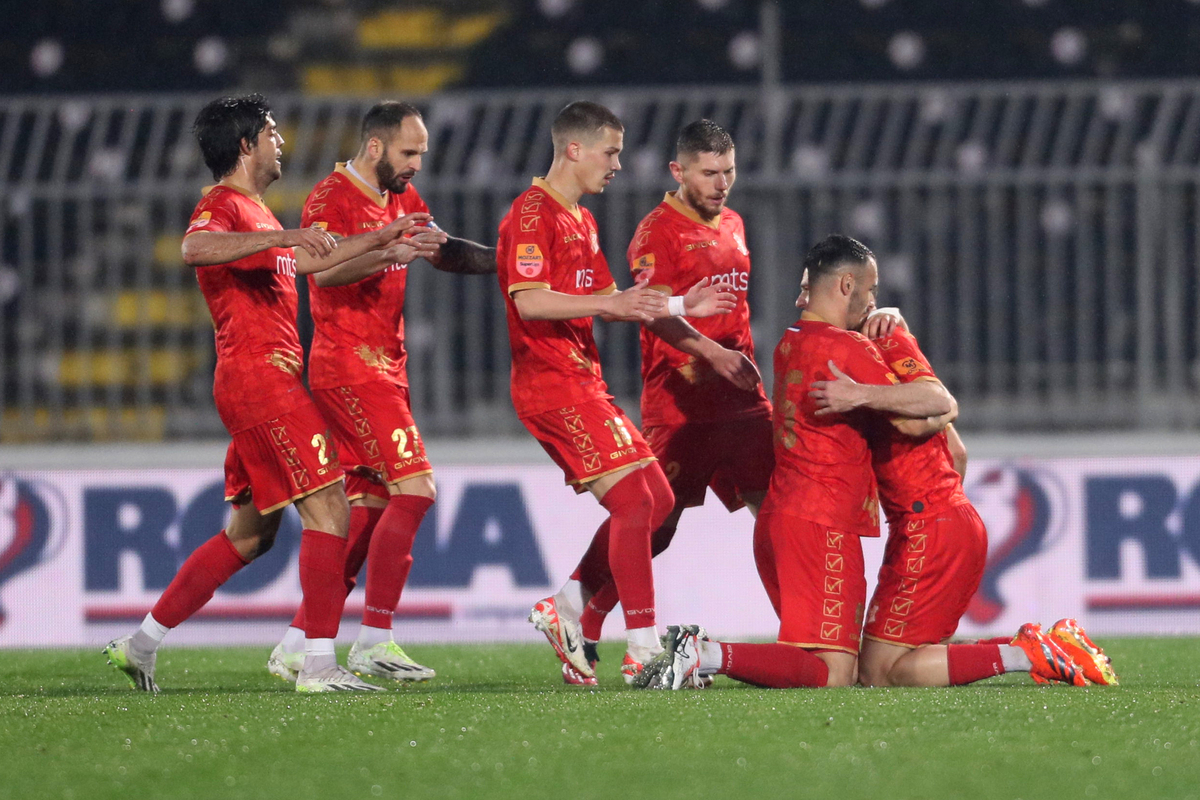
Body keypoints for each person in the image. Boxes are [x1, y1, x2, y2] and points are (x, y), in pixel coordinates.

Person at [103, 94, 436, 693]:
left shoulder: (256, 211)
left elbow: (314, 262)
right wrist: (278, 237)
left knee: (251, 537)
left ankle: (140, 642)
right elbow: (193, 248)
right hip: (259, 379)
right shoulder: (222, 207)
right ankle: (315, 664)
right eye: (273, 134)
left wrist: (385, 240)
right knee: (332, 503)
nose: (282, 143)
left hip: (261, 380)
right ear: (245, 144)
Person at [647, 234, 957, 690]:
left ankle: (705, 656)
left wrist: (890, 319)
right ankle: (704, 654)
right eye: (871, 292)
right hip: (822, 524)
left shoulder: (791, 341)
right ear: (847, 286)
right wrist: (931, 401)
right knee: (833, 676)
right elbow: (931, 404)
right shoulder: (847, 351)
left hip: (781, 519)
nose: (874, 304)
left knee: (821, 667)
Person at [496, 101, 736, 684]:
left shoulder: (581, 218)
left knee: (653, 498)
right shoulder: (532, 216)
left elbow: (621, 302)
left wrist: (682, 306)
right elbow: (528, 299)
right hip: (550, 386)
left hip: (582, 381)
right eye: (611, 152)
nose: (619, 165)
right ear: (573, 149)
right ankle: (644, 647)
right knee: (638, 501)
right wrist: (608, 303)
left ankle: (569, 606)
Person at [265, 101, 495, 685]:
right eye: (409, 152)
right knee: (416, 491)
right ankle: (375, 639)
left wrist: (515, 264)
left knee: (366, 515)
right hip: (349, 367)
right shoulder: (331, 197)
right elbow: (318, 272)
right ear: (375, 147)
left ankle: (297, 642)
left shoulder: (403, 200)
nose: (417, 163)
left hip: (388, 367)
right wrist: (381, 249)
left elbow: (440, 251)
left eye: (421, 152)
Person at [807, 278, 1118, 689]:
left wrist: (859, 397)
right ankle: (1054, 644)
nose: (800, 301)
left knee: (878, 674)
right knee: (893, 661)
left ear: (841, 288)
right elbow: (957, 450)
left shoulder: (874, 348)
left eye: (806, 290)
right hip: (947, 518)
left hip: (927, 525)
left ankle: (1022, 654)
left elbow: (934, 406)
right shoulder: (889, 341)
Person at [563, 119, 772, 685]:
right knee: (656, 522)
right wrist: (711, 351)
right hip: (681, 405)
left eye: (728, 171)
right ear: (679, 172)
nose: (722, 183)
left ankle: (803, 628)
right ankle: (575, 609)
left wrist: (734, 361)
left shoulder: (734, 222)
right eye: (709, 173)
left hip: (744, 403)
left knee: (777, 511)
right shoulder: (657, 231)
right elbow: (649, 309)